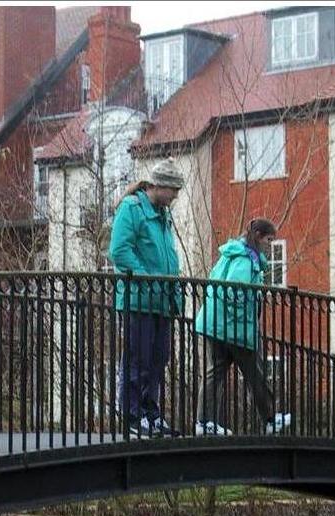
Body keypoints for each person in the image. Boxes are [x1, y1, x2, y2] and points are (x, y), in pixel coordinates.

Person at [109, 158, 184, 438]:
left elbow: (167, 257)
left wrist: (172, 291)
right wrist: (145, 278)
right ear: (160, 185)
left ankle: (151, 414)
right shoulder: (133, 208)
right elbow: (119, 251)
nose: (176, 195)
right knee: (137, 358)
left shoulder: (164, 214)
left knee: (158, 359)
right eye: (174, 189)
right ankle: (131, 414)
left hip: (161, 301)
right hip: (138, 299)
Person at [193, 218, 290, 436]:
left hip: (215, 323)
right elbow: (233, 292)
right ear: (257, 236)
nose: (270, 244)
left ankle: (204, 422)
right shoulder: (245, 260)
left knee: (214, 372)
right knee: (255, 373)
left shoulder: (233, 253)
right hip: (233, 328)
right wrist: (242, 325)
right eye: (268, 239)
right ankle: (270, 419)